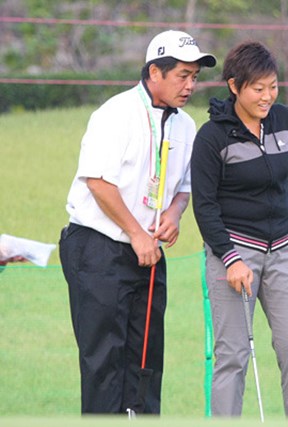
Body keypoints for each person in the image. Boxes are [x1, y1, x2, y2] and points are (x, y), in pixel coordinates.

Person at [59, 30, 216, 414]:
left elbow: (183, 188)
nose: (190, 85)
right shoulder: (116, 113)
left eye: (195, 76)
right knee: (104, 363)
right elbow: (97, 180)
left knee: (146, 360)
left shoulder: (186, 126)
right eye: (182, 75)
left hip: (147, 256)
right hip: (98, 248)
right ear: (154, 72)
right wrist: (135, 232)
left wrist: (174, 216)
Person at [190, 41, 288, 418]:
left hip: (284, 247)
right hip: (233, 251)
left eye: (273, 86)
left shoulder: (287, 122)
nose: (267, 96)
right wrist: (230, 259)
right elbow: (205, 207)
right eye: (257, 88)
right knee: (233, 356)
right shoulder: (212, 138)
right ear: (234, 86)